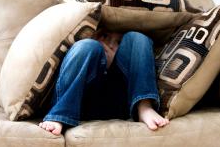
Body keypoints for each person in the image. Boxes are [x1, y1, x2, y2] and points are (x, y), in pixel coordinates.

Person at [39, 29, 169, 135]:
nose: (110, 44)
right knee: (87, 46)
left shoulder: (126, 54)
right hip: (80, 102)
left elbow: (133, 50)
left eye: (119, 42)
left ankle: (144, 105)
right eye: (105, 36)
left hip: (119, 103)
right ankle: (59, 115)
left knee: (137, 37)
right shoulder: (92, 48)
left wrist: (114, 62)